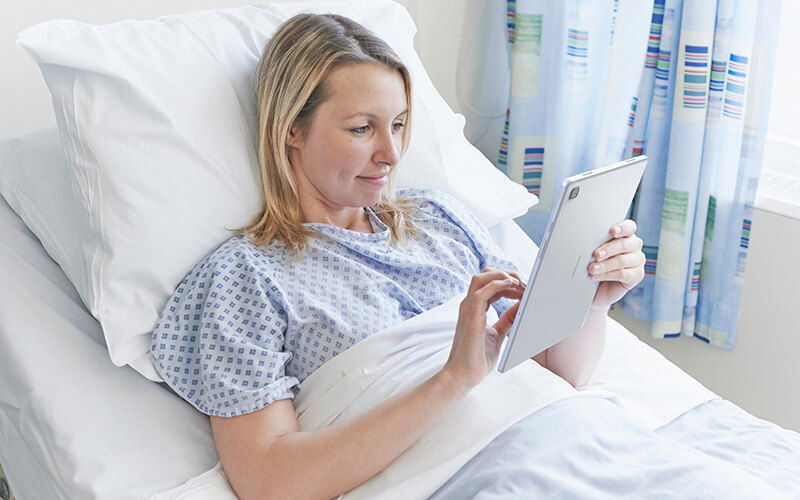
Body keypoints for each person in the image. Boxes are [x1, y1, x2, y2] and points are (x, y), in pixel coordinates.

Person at [149, 13, 645, 499]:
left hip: (576, 438)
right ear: (291, 129)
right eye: (362, 129)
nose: (390, 153)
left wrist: (594, 301)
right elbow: (270, 481)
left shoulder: (439, 218)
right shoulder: (246, 276)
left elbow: (557, 373)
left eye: (400, 125)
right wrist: (453, 378)